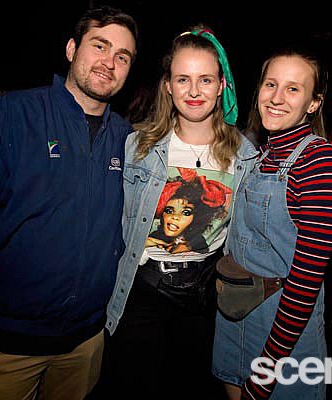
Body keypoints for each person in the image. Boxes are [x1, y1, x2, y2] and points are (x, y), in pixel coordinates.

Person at [0, 6, 138, 400]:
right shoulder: (4, 119)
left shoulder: (128, 141)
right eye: (100, 46)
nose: (109, 62)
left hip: (85, 344)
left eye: (122, 56)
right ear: (72, 49)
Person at [100, 26, 257, 400]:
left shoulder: (245, 155)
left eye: (206, 80)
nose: (194, 91)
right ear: (168, 86)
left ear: (221, 86)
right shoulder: (137, 146)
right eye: (183, 79)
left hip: (203, 295)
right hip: (141, 291)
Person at [212, 48, 332, 400]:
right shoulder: (260, 156)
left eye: (293, 89)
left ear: (313, 104)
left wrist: (266, 375)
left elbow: (305, 283)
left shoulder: (321, 162)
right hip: (235, 318)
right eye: (270, 84)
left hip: (283, 340)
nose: (276, 97)